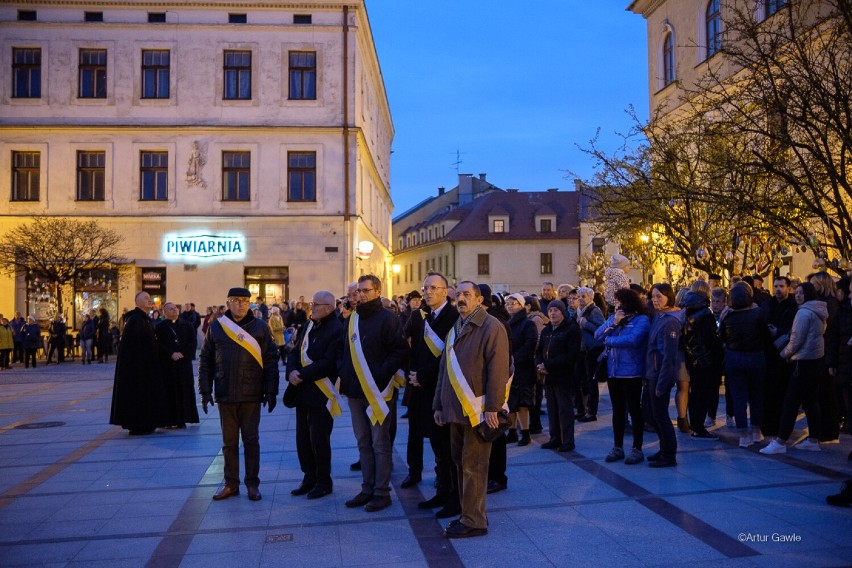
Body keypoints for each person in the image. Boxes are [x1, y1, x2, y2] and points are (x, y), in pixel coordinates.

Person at [433, 281, 510, 538]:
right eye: (460, 295)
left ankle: (475, 522)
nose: (462, 298)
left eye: (468, 295)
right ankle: (469, 514)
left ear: (479, 300)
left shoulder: (491, 327)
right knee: (461, 464)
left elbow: (498, 370)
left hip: (477, 410)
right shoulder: (457, 326)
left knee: (474, 466)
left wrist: (493, 407)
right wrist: (438, 404)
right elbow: (444, 370)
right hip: (455, 410)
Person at [198, 287, 280, 502]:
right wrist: (205, 391)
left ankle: (252, 484)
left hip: (252, 394)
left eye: (245, 301)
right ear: (228, 303)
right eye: (236, 300)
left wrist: (271, 390)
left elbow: (271, 361)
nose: (241, 304)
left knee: (252, 441)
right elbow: (205, 361)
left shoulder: (261, 327)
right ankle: (231, 485)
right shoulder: (216, 327)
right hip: (225, 393)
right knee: (229, 444)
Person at [339, 274, 409, 513]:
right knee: (363, 443)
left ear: (378, 291)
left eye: (367, 290)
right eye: (359, 291)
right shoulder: (353, 319)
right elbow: (345, 352)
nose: (361, 295)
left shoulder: (388, 318)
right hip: (355, 392)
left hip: (378, 391)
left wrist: (380, 374)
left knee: (380, 443)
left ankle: (382, 492)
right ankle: (367, 488)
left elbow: (399, 351)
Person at [406, 272, 461, 519]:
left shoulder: (453, 318)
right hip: (422, 391)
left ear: (445, 291)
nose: (427, 292)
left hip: (442, 391)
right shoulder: (421, 317)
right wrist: (412, 373)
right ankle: (442, 490)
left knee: (448, 448)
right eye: (425, 287)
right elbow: (415, 350)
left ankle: (453, 498)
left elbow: (448, 356)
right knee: (437, 447)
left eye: (433, 288)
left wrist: (423, 376)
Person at [285, 290, 344, 500]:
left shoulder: (336, 329)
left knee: (319, 439)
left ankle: (323, 481)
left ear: (327, 308)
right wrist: (291, 371)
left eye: (315, 304)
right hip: (302, 392)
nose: (311, 307)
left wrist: (301, 374)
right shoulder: (309, 325)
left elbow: (328, 363)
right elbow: (294, 350)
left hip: (321, 393)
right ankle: (308, 477)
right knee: (302, 439)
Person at [760, 282, 828, 454]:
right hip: (815, 360)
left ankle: (780, 441)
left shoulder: (804, 313)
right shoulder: (818, 311)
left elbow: (796, 339)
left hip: (802, 362)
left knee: (791, 402)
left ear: (809, 295)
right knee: (810, 401)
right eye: (796, 292)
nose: (797, 295)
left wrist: (783, 354)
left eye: (801, 293)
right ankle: (813, 439)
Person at [595, 288, 650, 464]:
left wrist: (609, 341)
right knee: (617, 410)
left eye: (619, 302)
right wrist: (614, 323)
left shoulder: (642, 320)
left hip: (631, 372)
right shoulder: (615, 318)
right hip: (614, 371)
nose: (616, 305)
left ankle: (637, 448)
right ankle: (617, 446)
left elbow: (633, 340)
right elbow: (597, 335)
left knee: (634, 409)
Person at [719, 282, 771, 448]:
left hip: (734, 357)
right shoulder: (758, 313)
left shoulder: (728, 316)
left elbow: (722, 338)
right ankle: (756, 431)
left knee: (738, 397)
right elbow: (766, 336)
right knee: (757, 395)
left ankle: (743, 434)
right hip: (756, 356)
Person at [109, 292, 168, 435]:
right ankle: (139, 424)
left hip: (146, 367)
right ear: (138, 302)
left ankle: (147, 423)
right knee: (139, 397)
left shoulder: (143, 319)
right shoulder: (135, 320)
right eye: (146, 299)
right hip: (138, 369)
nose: (150, 301)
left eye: (150, 298)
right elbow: (134, 348)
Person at [643, 283, 683, 468]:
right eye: (653, 296)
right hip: (652, 372)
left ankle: (669, 455)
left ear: (669, 296)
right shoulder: (660, 317)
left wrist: (662, 382)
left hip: (661, 375)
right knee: (654, 415)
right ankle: (663, 448)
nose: (655, 299)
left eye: (659, 296)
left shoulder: (671, 321)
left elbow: (669, 356)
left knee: (661, 416)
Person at [536, 299, 582, 452]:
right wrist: (540, 364)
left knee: (565, 409)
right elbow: (539, 351)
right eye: (550, 311)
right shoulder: (547, 330)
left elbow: (571, 354)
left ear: (563, 312)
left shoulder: (571, 328)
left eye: (556, 310)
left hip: (564, 375)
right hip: (548, 376)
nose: (553, 313)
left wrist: (547, 365)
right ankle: (554, 437)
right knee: (552, 408)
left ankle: (568, 440)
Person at [680, 290, 724, 439]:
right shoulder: (705, 316)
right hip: (706, 361)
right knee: (703, 394)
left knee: (696, 394)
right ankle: (698, 427)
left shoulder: (687, 316)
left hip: (694, 361)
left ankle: (695, 425)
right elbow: (711, 339)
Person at [760, 276, 798, 438]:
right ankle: (768, 426)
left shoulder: (793, 307)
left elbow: (794, 331)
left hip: (786, 357)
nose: (778, 289)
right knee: (769, 393)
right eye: (775, 286)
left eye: (781, 286)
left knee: (783, 393)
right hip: (769, 354)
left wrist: (779, 332)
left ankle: (781, 428)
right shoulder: (768, 305)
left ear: (788, 288)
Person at [155, 302, 200, 429]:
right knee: (169, 392)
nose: (174, 310)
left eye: (175, 308)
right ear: (164, 312)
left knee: (183, 391)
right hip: (168, 366)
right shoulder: (160, 327)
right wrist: (171, 354)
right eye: (170, 309)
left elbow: (193, 342)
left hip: (183, 365)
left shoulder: (187, 325)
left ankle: (183, 419)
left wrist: (182, 353)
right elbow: (158, 344)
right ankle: (169, 419)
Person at [505, 293, 537, 447]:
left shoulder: (527, 323)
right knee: (511, 402)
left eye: (514, 303)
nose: (510, 306)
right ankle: (511, 432)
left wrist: (514, 359)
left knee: (523, 403)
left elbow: (530, 344)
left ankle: (525, 433)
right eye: (508, 303)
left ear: (521, 305)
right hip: (510, 369)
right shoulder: (508, 322)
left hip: (523, 368)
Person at [576, 286, 605, 422]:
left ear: (591, 298)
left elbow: (602, 330)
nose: (581, 299)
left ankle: (592, 412)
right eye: (579, 296)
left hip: (593, 350)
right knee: (584, 381)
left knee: (592, 382)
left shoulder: (594, 310)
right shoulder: (580, 310)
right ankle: (585, 409)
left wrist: (586, 324)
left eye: (584, 296)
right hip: (584, 350)